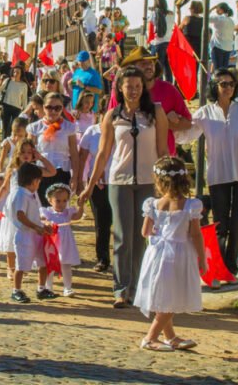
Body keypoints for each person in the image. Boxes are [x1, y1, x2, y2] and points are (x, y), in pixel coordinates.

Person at [84, 66, 169, 308]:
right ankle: (121, 288)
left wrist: (166, 186)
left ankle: (138, 287)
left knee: (140, 236)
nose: (133, 91)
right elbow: (103, 153)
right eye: (128, 86)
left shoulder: (156, 112)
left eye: (137, 86)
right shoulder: (112, 115)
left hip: (147, 182)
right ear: (120, 88)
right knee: (122, 236)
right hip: (119, 181)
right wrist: (90, 184)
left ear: (143, 88)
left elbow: (163, 150)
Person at [181, 68, 238, 283]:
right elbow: (187, 135)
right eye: (223, 84)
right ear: (215, 87)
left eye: (231, 84)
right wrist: (171, 124)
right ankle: (218, 267)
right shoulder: (205, 112)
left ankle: (231, 268)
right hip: (218, 174)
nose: (228, 87)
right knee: (220, 224)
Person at [134, 156, 205, 352]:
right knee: (173, 296)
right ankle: (150, 337)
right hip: (179, 254)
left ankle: (171, 337)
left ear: (159, 181)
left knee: (164, 294)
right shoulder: (191, 205)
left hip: (156, 253)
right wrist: (202, 258)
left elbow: (145, 232)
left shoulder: (153, 204)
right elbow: (195, 234)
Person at [0, 138, 57, 282]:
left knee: (30, 233)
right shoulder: (13, 169)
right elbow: (4, 187)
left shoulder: (35, 170)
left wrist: (41, 158)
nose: (26, 155)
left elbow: (52, 172)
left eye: (29, 152)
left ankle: (24, 263)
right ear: (17, 153)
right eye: (23, 152)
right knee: (12, 233)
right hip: (16, 203)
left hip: (32, 203)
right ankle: (11, 267)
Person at [108, 48, 191, 156]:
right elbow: (109, 124)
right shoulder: (120, 93)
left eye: (151, 63)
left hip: (163, 162)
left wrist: (166, 122)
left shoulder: (170, 90)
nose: (149, 66)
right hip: (129, 161)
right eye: (143, 64)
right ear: (132, 68)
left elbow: (188, 124)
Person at [6, 162, 54, 303]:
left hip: (36, 234)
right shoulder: (20, 194)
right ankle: (16, 290)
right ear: (34, 181)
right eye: (39, 181)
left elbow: (35, 214)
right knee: (22, 265)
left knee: (42, 261)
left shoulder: (31, 194)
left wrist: (43, 225)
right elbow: (21, 216)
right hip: (25, 235)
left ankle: (41, 288)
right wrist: (36, 227)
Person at [27, 92, 79, 205]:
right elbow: (28, 153)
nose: (53, 111)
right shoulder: (35, 127)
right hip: (41, 172)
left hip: (62, 171)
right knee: (42, 208)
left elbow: (74, 154)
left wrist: (75, 177)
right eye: (49, 107)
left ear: (62, 108)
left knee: (60, 208)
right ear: (43, 107)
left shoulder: (69, 127)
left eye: (57, 108)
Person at [78, 115, 110, 273]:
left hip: (120, 181)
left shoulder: (123, 130)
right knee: (101, 222)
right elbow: (82, 157)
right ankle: (103, 258)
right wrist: (80, 180)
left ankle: (124, 259)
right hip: (97, 182)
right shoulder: (92, 131)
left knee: (121, 223)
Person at [40, 183, 83, 297]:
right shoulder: (47, 212)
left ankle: (67, 288)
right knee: (50, 264)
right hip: (52, 242)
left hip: (66, 243)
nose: (61, 204)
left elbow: (77, 216)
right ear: (50, 200)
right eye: (58, 201)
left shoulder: (68, 212)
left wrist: (81, 206)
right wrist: (46, 222)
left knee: (66, 265)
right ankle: (48, 287)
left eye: (64, 201)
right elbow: (41, 219)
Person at [0, 63, 29, 140]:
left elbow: (24, 99)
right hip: (6, 106)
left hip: (17, 108)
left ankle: (11, 142)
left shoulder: (24, 85)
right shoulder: (8, 80)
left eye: (18, 72)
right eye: (14, 72)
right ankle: (4, 142)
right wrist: (1, 81)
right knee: (5, 126)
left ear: (21, 74)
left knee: (13, 127)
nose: (15, 74)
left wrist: (25, 111)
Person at [149, 0, 176, 82]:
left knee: (157, 69)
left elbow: (151, 29)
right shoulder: (171, 14)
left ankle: (159, 88)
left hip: (158, 43)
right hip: (169, 43)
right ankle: (169, 88)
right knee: (168, 69)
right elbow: (172, 26)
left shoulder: (154, 14)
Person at [69, 51, 102, 116]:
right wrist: (70, 83)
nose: (80, 63)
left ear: (88, 61)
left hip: (88, 110)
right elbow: (74, 85)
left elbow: (99, 91)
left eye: (82, 61)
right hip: (76, 107)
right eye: (79, 61)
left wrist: (84, 86)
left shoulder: (94, 74)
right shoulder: (77, 71)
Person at [209, 3, 236, 71]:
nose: (216, 10)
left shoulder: (218, 18)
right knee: (224, 70)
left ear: (221, 10)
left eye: (217, 9)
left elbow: (204, 18)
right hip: (227, 48)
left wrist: (211, 9)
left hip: (218, 47)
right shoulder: (231, 21)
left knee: (218, 70)